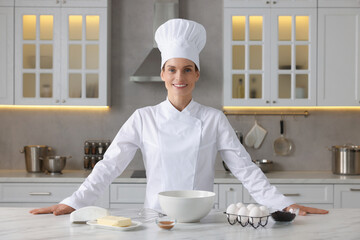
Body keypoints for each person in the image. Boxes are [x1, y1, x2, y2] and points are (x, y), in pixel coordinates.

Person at [30, 19, 328, 217]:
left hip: (203, 221)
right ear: (163, 73)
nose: (179, 77)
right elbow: (109, 166)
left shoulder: (213, 119)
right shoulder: (143, 118)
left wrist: (284, 204)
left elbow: (245, 170)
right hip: (154, 221)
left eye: (187, 69)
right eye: (172, 69)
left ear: (197, 73)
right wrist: (73, 202)